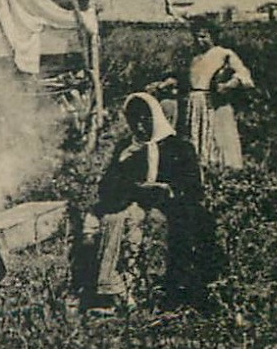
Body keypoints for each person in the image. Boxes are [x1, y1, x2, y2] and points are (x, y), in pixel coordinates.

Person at [90, 93, 221, 314]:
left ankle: (168, 292)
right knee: (116, 218)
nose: (139, 126)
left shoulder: (179, 147)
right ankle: (116, 294)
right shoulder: (127, 148)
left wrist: (167, 190)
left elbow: (193, 188)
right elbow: (106, 189)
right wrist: (127, 176)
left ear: (156, 117)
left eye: (144, 119)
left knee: (177, 224)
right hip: (134, 204)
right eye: (134, 120)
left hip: (172, 207)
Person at [168, 22, 254, 171]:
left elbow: (243, 73)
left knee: (218, 135)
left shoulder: (224, 53)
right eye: (196, 37)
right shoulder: (193, 57)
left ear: (212, 36)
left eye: (203, 37)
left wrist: (228, 85)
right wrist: (165, 83)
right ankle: (199, 169)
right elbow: (182, 78)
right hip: (194, 102)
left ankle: (222, 172)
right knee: (194, 136)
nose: (199, 41)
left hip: (214, 101)